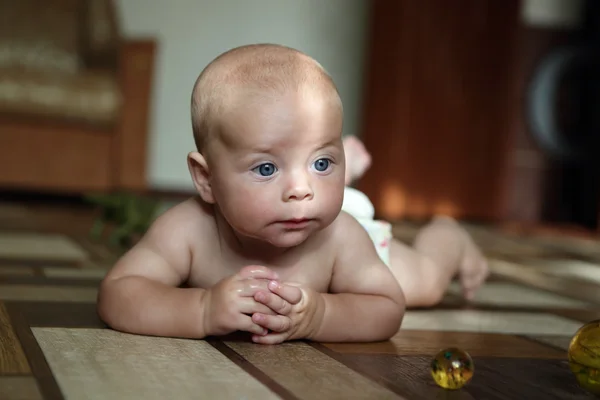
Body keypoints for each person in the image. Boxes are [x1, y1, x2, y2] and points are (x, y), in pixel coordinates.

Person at [97, 43, 488, 345]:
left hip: (357, 242)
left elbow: (386, 309)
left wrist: (320, 315)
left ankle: (448, 236)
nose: (301, 190)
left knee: (426, 283)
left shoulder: (342, 237)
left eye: (321, 163)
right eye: (266, 168)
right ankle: (340, 169)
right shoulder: (187, 229)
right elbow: (119, 293)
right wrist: (200, 310)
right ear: (206, 179)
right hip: (327, 212)